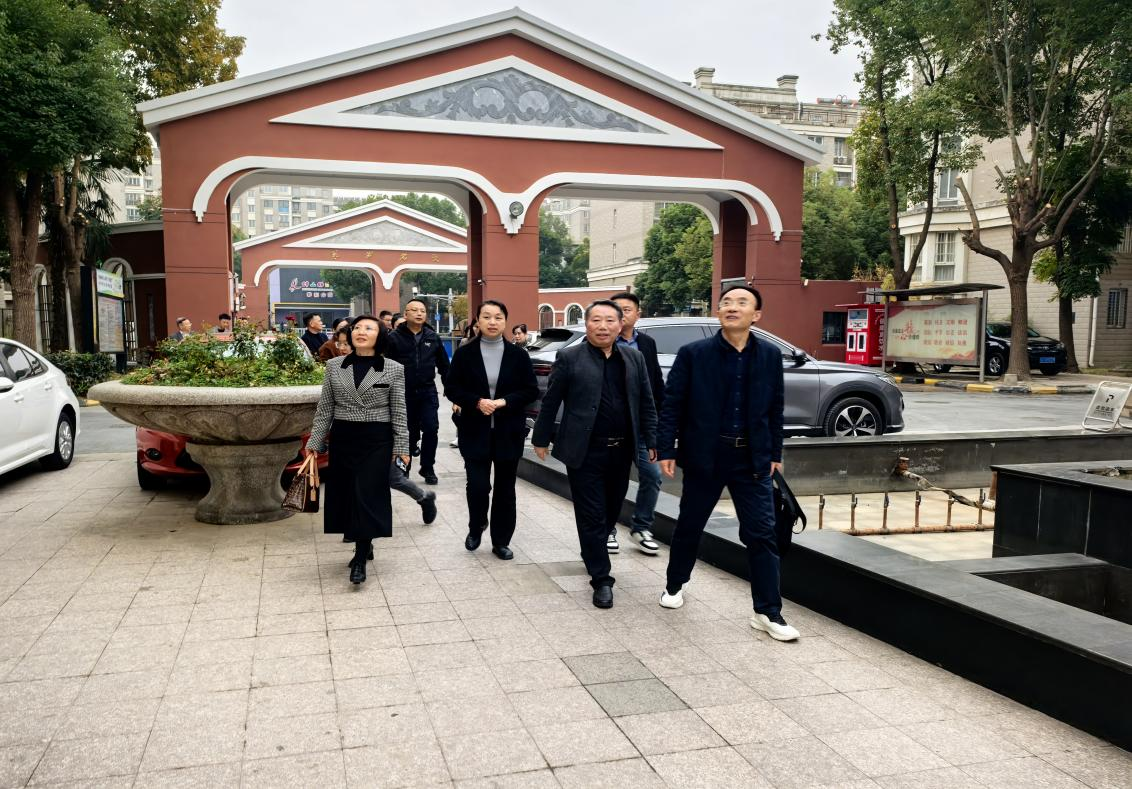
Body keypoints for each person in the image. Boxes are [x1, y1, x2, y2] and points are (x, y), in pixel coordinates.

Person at [656, 285, 798, 641]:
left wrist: (775, 453)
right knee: (690, 524)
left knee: (762, 534)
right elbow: (672, 404)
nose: (732, 307)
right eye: (726, 302)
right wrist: (667, 448)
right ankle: (675, 584)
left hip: (752, 459)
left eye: (741, 302)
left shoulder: (769, 355)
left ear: (756, 315)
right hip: (706, 454)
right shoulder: (694, 354)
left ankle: (767, 612)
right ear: (718, 312)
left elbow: (775, 407)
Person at [532, 300, 657, 609]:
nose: (603, 326)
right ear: (586, 324)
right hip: (585, 450)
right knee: (591, 514)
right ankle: (601, 579)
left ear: (620, 325)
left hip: (622, 449)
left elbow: (646, 402)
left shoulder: (634, 357)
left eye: (610, 320)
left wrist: (653, 439)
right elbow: (551, 400)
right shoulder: (570, 357)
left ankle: (592, 549)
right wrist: (541, 437)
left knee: (611, 511)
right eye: (596, 320)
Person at [305, 316, 410, 585]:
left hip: (377, 440)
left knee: (367, 494)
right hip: (344, 438)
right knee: (348, 494)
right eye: (358, 328)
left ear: (380, 336)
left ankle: (360, 557)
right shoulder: (334, 366)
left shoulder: (393, 368)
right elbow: (325, 408)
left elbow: (399, 410)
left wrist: (402, 447)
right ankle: (365, 540)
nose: (361, 331)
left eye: (369, 328)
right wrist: (315, 443)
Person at [444, 300, 538, 560]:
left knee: (505, 489)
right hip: (475, 430)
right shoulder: (465, 353)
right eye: (486, 317)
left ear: (505, 321)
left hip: (509, 431)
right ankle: (476, 526)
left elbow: (530, 390)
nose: (492, 322)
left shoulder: (518, 355)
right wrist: (476, 402)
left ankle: (501, 541)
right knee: (477, 485)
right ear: (478, 320)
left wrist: (504, 401)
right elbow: (452, 388)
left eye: (498, 317)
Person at [609, 292, 665, 557]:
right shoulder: (601, 342)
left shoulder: (647, 343)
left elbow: (655, 384)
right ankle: (607, 528)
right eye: (617, 310)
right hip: (614, 426)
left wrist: (660, 423)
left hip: (642, 426)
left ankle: (641, 527)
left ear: (638, 315)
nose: (622, 314)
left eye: (627, 309)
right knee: (611, 479)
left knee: (653, 476)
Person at [386, 299, 450, 485]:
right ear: (406, 314)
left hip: (427, 391)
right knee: (407, 432)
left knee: (431, 428)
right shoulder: (394, 338)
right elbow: (385, 366)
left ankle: (427, 467)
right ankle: (403, 467)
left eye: (422, 310)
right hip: (402, 392)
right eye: (414, 310)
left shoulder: (432, 337)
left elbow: (444, 366)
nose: (419, 313)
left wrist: (451, 390)